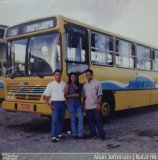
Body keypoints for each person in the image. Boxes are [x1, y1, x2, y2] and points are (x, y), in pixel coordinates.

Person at [43, 69, 66, 143]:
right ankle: (53, 136)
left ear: (61, 75)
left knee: (61, 119)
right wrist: (48, 105)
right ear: (54, 76)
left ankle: (59, 134)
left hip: (63, 103)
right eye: (56, 75)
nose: (58, 76)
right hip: (55, 104)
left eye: (59, 75)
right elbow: (46, 96)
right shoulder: (50, 84)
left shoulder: (64, 84)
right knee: (55, 120)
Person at [82, 69, 106, 140]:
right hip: (88, 106)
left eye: (90, 74)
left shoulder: (97, 83)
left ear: (92, 75)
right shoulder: (85, 85)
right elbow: (84, 97)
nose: (88, 76)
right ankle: (93, 133)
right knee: (90, 121)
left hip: (95, 106)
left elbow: (100, 95)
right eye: (87, 75)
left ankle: (102, 134)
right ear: (86, 76)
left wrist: (99, 104)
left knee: (98, 120)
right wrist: (84, 105)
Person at [64, 72, 83, 139]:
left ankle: (80, 134)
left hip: (78, 103)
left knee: (81, 118)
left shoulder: (79, 85)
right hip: (71, 104)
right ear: (70, 78)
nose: (73, 78)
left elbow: (81, 94)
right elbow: (65, 95)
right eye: (72, 77)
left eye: (75, 77)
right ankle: (74, 134)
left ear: (77, 78)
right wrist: (73, 95)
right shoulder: (68, 85)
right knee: (73, 119)